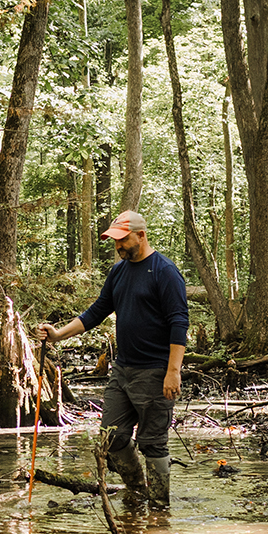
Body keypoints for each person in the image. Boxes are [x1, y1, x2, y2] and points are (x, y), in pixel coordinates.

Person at [35, 210, 188, 509]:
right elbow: (96, 312)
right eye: (115, 241)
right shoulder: (118, 272)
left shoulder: (164, 271)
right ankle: (137, 491)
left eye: (123, 240)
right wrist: (57, 335)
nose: (118, 247)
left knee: (152, 443)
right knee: (111, 437)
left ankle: (159, 509)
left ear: (141, 235)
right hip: (123, 371)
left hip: (156, 372)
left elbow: (178, 323)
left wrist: (173, 371)